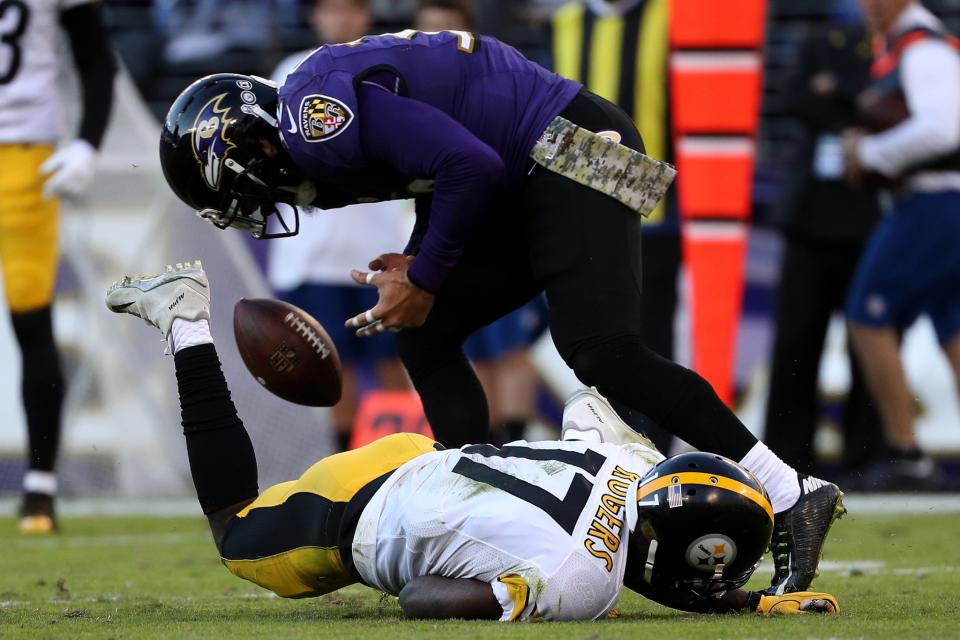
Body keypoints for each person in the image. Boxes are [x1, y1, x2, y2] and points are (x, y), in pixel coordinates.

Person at [158, 31, 844, 594]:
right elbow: (440, 164)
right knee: (423, 333)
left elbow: (468, 164)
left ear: (240, 146)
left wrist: (426, 275)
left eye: (231, 193)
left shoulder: (314, 127)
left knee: (603, 348)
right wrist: (419, 258)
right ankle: (478, 489)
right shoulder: (314, 128)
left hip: (571, 145)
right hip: (529, 162)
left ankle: (791, 491)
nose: (249, 211)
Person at [104, 261, 840, 619]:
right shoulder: (584, 581)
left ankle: (187, 320)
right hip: (362, 515)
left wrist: (750, 604)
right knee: (235, 531)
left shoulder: (629, 462)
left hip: (419, 457)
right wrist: (514, 600)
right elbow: (421, 598)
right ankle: (185, 320)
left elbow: (635, 521)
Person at [268, 0, 412, 452]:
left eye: (351, 9)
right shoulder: (290, 71)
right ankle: (346, 461)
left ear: (367, 15)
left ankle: (400, 456)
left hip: (380, 247)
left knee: (394, 362)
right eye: (332, 9)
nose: (342, 19)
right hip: (313, 254)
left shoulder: (388, 68)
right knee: (335, 365)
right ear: (316, 16)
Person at [0, 0, 116, 533]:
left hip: (25, 155)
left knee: (31, 320)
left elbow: (95, 57)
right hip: (25, 151)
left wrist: (88, 142)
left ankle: (39, 488)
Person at [413, 0, 548, 445]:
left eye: (447, 31)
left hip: (499, 233)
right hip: (453, 238)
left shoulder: (497, 82)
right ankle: (486, 444)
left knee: (510, 348)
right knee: (471, 348)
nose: (438, 43)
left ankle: (516, 441)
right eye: (428, 32)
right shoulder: (412, 93)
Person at [549, 0, 680, 452]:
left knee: (648, 337)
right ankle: (601, 450)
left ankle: (652, 451)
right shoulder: (564, 22)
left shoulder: (671, 18)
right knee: (594, 336)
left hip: (656, 214)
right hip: (580, 209)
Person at [841, 0, 960, 489]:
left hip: (933, 203)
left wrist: (867, 152)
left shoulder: (923, 50)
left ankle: (906, 453)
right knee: (953, 329)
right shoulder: (909, 47)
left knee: (866, 317)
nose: (871, 6)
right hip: (939, 202)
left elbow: (942, 129)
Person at [764, 6, 885, 476]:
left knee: (870, 341)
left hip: (869, 218)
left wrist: (837, 88)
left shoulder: (891, 48)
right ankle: (784, 458)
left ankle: (869, 456)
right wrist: (860, 100)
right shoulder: (818, 40)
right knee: (796, 339)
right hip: (810, 218)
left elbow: (892, 105)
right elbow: (794, 96)